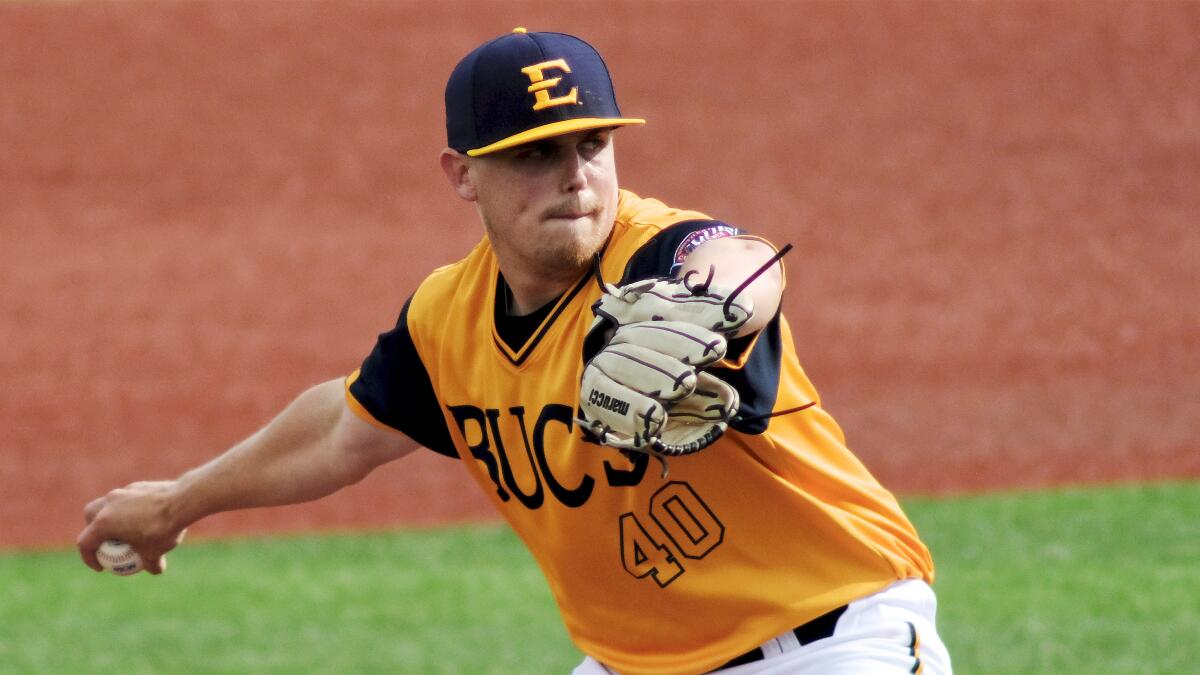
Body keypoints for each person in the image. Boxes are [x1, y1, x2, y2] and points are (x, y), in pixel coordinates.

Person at [78, 28, 953, 674]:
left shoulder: (657, 259)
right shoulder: (447, 317)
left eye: (593, 144)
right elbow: (344, 431)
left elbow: (742, 261)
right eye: (536, 153)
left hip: (833, 641)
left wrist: (709, 307)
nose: (576, 174)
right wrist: (178, 500)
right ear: (462, 175)